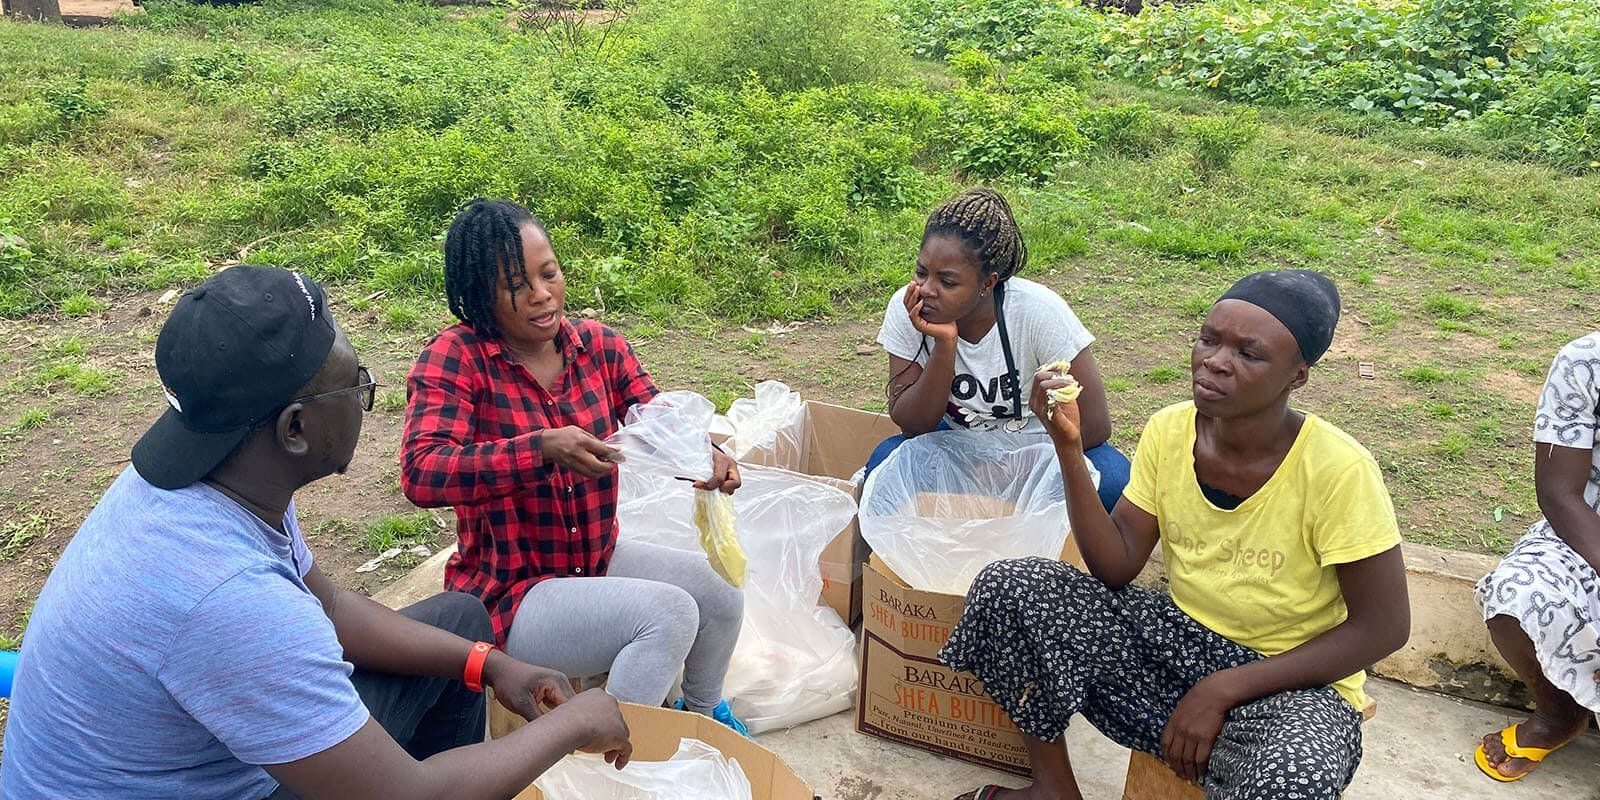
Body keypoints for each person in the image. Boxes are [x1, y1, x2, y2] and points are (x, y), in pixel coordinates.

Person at [0, 266, 632, 800]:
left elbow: (326, 604)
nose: (364, 400)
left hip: (199, 763)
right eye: (357, 385)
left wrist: (492, 664)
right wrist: (576, 722)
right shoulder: (227, 598)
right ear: (295, 428)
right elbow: (406, 794)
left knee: (463, 625)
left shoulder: (216, 476)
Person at [941, 270, 1411, 800]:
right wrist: (1069, 449)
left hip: (1291, 684)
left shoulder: (1338, 469)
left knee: (1291, 779)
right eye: (1209, 339)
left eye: (1248, 354)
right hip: (1177, 647)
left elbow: (1384, 628)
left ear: (1297, 376)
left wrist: (1222, 690)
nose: (1214, 360)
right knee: (1012, 589)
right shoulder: (1170, 430)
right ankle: (1053, 791)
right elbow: (1116, 566)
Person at [401, 199, 749, 735]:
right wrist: (538, 449)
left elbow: (656, 420)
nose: (542, 295)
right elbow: (422, 471)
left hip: (594, 556)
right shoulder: (456, 359)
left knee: (719, 592)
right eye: (517, 285)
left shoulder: (598, 347)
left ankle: (697, 728)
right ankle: (609, 769)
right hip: (514, 593)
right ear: (478, 295)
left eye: (549, 273)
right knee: (667, 613)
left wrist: (707, 455)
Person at [871, 188, 1129, 511]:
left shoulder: (1038, 312)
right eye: (921, 272)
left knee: (1114, 480)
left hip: (1037, 451)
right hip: (956, 446)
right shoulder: (907, 308)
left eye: (947, 282)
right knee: (882, 466)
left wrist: (1014, 469)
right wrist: (945, 344)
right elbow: (913, 424)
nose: (927, 290)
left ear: (987, 284)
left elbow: (1095, 425)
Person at [1473, 332, 1600, 783]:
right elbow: (1560, 493)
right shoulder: (1587, 362)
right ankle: (1561, 714)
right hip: (1589, 533)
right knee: (1517, 593)